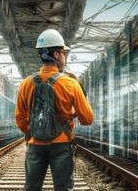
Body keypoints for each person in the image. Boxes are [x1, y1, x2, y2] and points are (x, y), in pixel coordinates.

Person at [14, 29, 94, 191]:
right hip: (62, 145)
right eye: (64, 53)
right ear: (56, 54)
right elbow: (87, 119)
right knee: (63, 188)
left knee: (32, 188)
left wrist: (34, 133)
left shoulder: (26, 84)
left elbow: (19, 119)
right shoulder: (70, 83)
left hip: (35, 144)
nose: (65, 56)